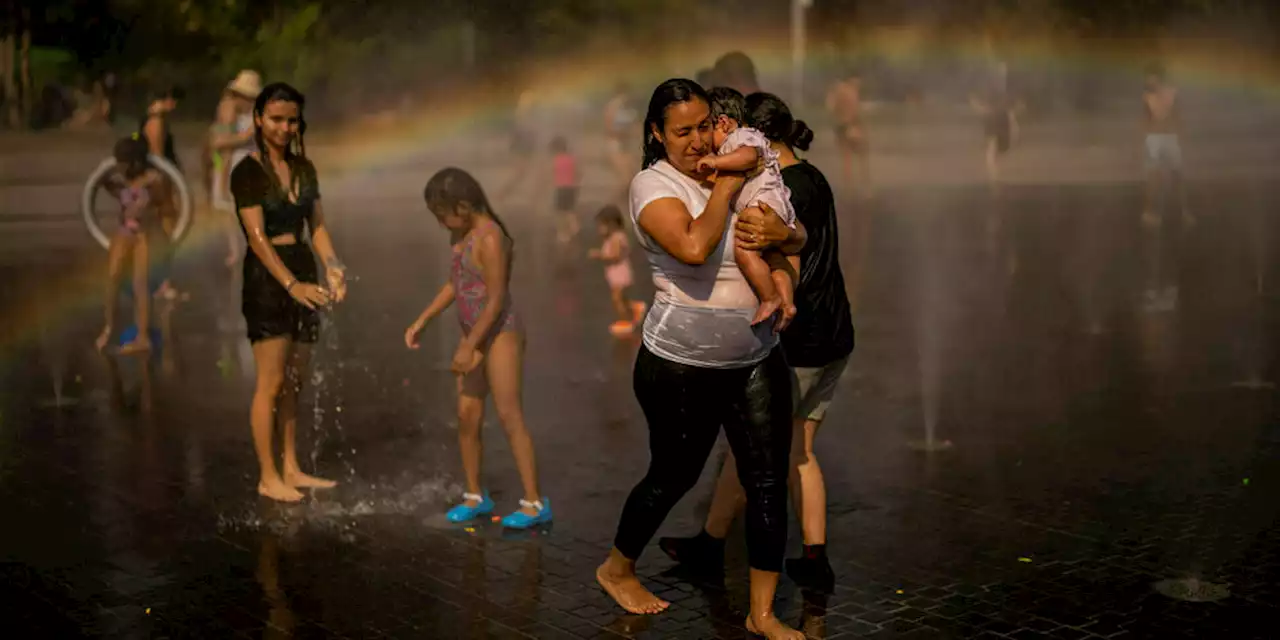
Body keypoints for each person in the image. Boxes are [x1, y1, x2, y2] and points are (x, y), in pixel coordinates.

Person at [594, 78, 806, 640]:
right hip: (679, 363)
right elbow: (692, 244)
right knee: (674, 474)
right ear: (657, 134)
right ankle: (617, 566)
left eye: (702, 126)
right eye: (680, 131)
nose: (694, 141)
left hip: (758, 355)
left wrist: (787, 231)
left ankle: (761, 613)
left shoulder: (737, 163)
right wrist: (725, 185)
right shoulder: (651, 185)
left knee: (765, 482)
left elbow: (794, 234)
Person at [659, 92, 856, 595]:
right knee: (772, 448)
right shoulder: (813, 176)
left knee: (778, 452)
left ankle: (798, 557)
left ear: (759, 137)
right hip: (834, 332)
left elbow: (782, 241)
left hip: (800, 337)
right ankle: (725, 542)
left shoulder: (782, 187)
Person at [404, 168, 552, 530]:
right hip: (473, 333)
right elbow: (456, 284)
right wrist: (423, 318)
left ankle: (534, 501)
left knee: (508, 414)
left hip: (500, 333)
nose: (441, 223)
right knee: (468, 416)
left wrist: (469, 346)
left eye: (442, 215)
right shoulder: (462, 233)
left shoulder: (491, 238)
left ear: (464, 206)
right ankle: (475, 494)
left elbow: (497, 298)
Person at [231, 82, 346, 503]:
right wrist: (291, 285)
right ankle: (267, 475)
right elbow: (257, 237)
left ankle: (292, 466)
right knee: (272, 380)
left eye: (291, 120)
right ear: (259, 119)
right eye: (276, 119)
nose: (284, 127)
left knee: (295, 380)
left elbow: (316, 225)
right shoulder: (247, 171)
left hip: (304, 269)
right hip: (268, 277)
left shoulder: (304, 169)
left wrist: (333, 267)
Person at [696, 86, 798, 327]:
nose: (703, 140)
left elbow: (749, 157)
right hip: (773, 205)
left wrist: (715, 161)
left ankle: (770, 298)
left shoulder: (739, 137)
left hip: (763, 204)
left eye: (705, 128)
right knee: (774, 258)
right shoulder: (736, 140)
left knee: (744, 249)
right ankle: (787, 303)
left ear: (723, 123)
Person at [95, 136, 163, 355]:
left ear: (133, 161)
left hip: (144, 234)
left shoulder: (153, 179)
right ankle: (109, 329)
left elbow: (158, 201)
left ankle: (143, 338)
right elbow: (103, 184)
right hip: (124, 233)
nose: (120, 166)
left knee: (140, 284)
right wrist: (106, 173)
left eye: (123, 161)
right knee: (113, 278)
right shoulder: (121, 182)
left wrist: (145, 186)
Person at [1140, 63, 1192, 312]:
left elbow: (1177, 174)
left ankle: (1165, 289)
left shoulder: (1165, 98)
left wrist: (1183, 208)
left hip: (1164, 140)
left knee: (1165, 237)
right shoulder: (1153, 99)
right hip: (1160, 140)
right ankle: (1157, 289)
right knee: (1156, 238)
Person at [138, 85, 186, 300]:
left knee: (162, 232)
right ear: (166, 98)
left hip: (159, 182)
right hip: (158, 185)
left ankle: (160, 281)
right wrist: (169, 190)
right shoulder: (156, 122)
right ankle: (162, 283)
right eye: (174, 100)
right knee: (164, 231)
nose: (175, 106)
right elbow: (158, 159)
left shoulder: (157, 119)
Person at [588, 205, 645, 336]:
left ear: (612, 224)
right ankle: (635, 308)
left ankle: (627, 322)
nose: (599, 229)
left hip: (620, 274)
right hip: (616, 274)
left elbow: (615, 255)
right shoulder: (613, 237)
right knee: (622, 299)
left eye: (601, 225)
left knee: (617, 300)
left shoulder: (617, 237)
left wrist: (598, 255)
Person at [969, 60, 1020, 188]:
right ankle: (994, 175)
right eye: (1001, 69)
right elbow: (975, 98)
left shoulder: (1010, 84)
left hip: (1002, 117)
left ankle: (996, 174)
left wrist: (1012, 114)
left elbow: (1012, 103)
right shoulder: (988, 84)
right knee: (992, 145)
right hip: (993, 117)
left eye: (1005, 69)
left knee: (1003, 146)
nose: (1003, 72)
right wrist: (983, 109)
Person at [826, 69, 871, 198]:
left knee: (848, 160)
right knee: (860, 158)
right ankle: (864, 188)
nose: (860, 84)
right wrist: (855, 126)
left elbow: (830, 107)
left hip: (842, 126)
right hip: (849, 125)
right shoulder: (849, 91)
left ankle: (850, 190)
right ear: (853, 79)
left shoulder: (838, 90)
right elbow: (855, 111)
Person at [604, 83, 639, 196]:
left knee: (630, 175)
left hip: (625, 144)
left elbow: (635, 126)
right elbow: (609, 127)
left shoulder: (628, 109)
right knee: (625, 177)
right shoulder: (613, 107)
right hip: (616, 143)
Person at [550, 136, 580, 246]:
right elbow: (577, 172)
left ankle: (563, 234)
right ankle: (574, 226)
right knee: (570, 210)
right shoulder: (571, 158)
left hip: (560, 188)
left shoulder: (556, 160)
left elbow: (553, 174)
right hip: (571, 188)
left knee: (560, 212)